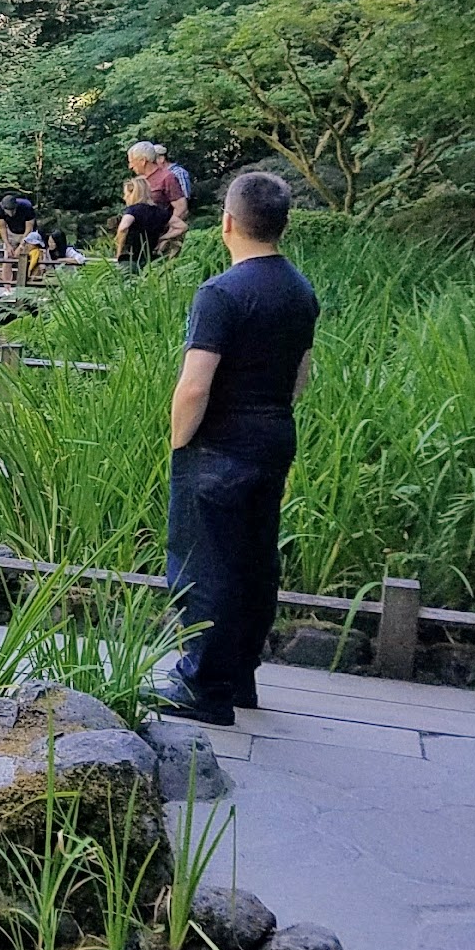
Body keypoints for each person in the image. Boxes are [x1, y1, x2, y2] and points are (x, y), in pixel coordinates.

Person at [153, 171, 319, 726]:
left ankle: (203, 684)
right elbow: (302, 373)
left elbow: (195, 382)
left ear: (226, 223)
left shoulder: (221, 293)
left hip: (219, 441)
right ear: (283, 224)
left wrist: (180, 444)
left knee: (204, 561)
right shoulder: (300, 290)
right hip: (274, 432)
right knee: (253, 557)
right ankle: (240, 673)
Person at [129, 141, 188, 249]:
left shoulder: (167, 178)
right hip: (140, 240)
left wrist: (167, 236)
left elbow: (181, 208)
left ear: (143, 161)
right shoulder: (139, 181)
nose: (130, 166)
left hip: (161, 239)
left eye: (132, 161)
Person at [114, 176, 171, 266]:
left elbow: (123, 227)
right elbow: (181, 226)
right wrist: (163, 238)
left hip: (130, 258)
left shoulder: (132, 211)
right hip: (151, 258)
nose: (124, 197)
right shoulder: (160, 212)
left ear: (133, 193)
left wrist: (119, 248)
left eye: (126, 194)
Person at [0, 190, 37, 284]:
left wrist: (21, 246)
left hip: (27, 233)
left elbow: (29, 228)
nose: (11, 213)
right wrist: (7, 244)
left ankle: (24, 285)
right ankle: (7, 288)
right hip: (11, 232)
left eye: (12, 210)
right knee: (7, 258)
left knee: (24, 258)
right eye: (8, 211)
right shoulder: (0, 209)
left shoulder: (26, 206)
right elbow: (2, 227)